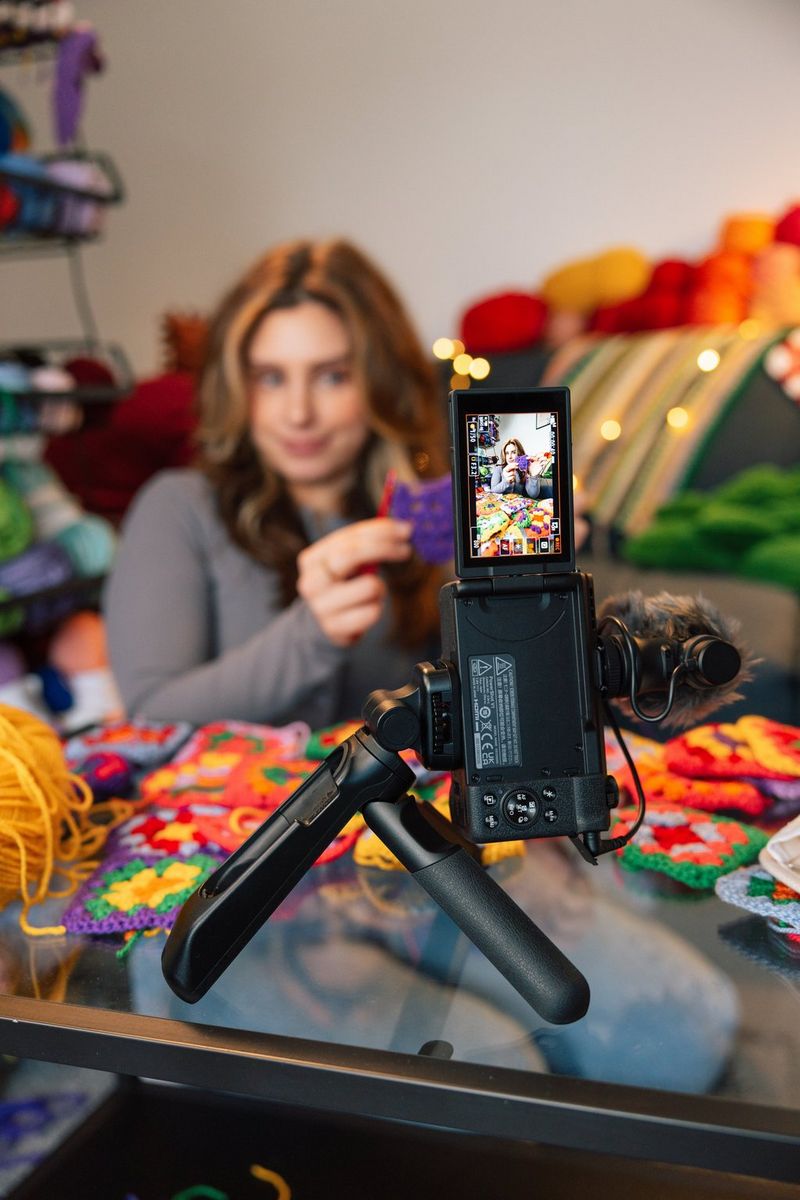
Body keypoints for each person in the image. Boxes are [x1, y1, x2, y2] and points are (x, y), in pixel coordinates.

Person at [104, 239, 449, 728]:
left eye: (331, 377)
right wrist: (312, 635)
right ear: (237, 385)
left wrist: (535, 582)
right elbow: (152, 712)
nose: (298, 413)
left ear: (384, 382)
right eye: (271, 378)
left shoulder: (433, 521)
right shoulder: (178, 507)